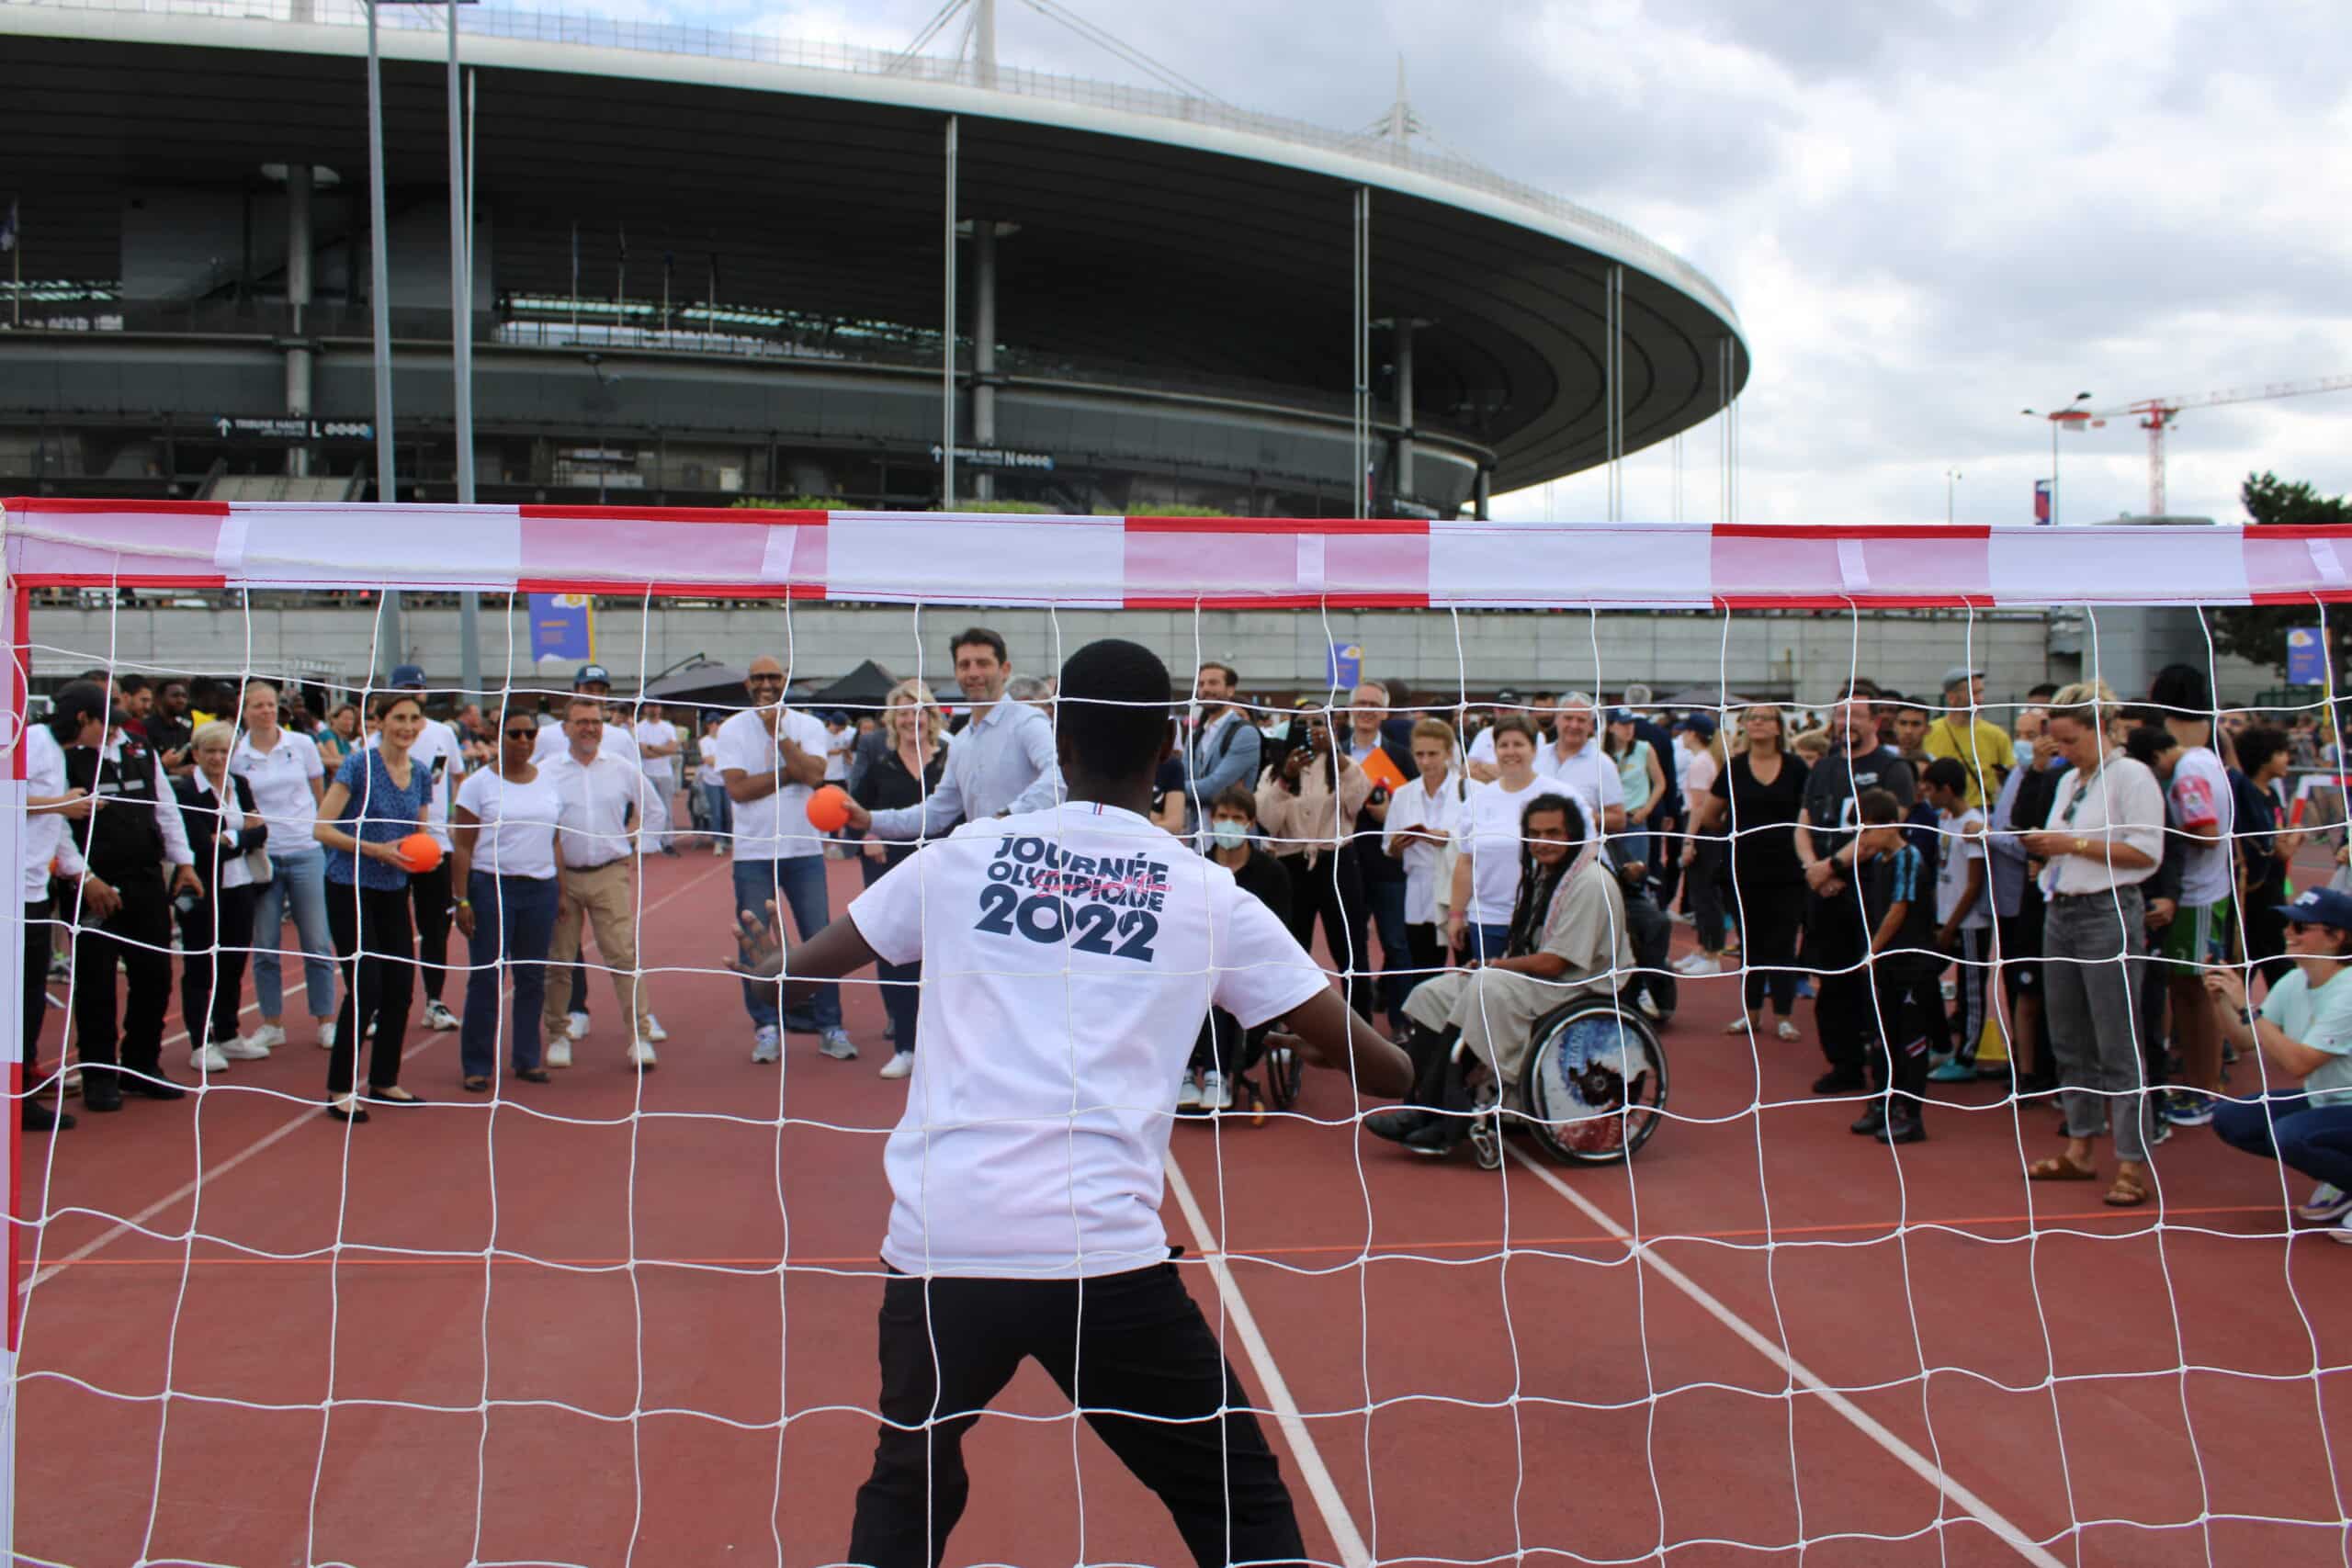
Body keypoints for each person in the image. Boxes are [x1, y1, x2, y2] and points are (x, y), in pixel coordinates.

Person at [726, 636, 1408, 1568]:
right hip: (1100, 1258)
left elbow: (799, 975)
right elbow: (1381, 1071)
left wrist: (764, 962)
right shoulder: (1210, 897)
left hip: (944, 1248)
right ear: (1170, 743)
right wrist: (1392, 1045)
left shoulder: (963, 859)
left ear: (1057, 736)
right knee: (1239, 1502)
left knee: (915, 1480)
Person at [1373, 792, 1630, 1156]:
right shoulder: (1546, 875)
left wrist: (1496, 965)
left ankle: (1449, 1117)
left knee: (1486, 984)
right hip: (1543, 979)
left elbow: (1557, 963)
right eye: (1536, 833)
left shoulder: (1589, 881)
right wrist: (1494, 966)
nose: (1544, 842)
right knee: (1435, 992)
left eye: (1554, 832)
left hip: (1579, 987)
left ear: (1572, 833)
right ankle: (1420, 1108)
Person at [2022, 681, 2165, 1207]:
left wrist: (2069, 844)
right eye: (2056, 741)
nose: (2062, 751)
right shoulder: (2068, 781)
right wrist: (2047, 849)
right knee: (2068, 1037)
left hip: (2108, 912)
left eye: (2069, 740)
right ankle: (2080, 1147)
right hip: (2060, 910)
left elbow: (2147, 853)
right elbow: (2068, 842)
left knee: (2117, 1042)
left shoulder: (2132, 776)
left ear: (2100, 729)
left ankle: (2132, 1161)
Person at [58, 681, 199, 1112]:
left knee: (155, 974)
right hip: (93, 886)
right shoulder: (64, 756)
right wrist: (84, 877)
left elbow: (166, 808)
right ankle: (99, 1072)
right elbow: (55, 825)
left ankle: (142, 1064)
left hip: (144, 879)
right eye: (108, 720)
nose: (115, 730)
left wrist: (185, 862)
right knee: (96, 982)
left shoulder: (140, 749)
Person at [715, 653, 851, 1063]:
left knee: (820, 938)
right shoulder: (731, 729)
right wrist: (793, 770)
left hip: (803, 850)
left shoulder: (807, 726)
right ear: (748, 684)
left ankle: (831, 1025)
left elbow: (815, 775)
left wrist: (780, 736)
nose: (766, 684)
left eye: (773, 676)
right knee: (755, 939)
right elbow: (737, 790)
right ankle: (766, 1027)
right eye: (758, 677)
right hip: (753, 853)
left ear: (785, 680)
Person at [2204, 886, 2352, 1243]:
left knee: (2291, 1135)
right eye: (2288, 924)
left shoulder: (2347, 991)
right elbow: (2244, 1040)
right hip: (2328, 1103)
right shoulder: (2296, 981)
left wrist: (2247, 1008)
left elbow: (2298, 1064)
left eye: (2300, 927)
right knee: (2233, 1119)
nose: (2287, 932)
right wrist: (2220, 999)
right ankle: (2343, 1182)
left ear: (2336, 937)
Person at [314, 690, 433, 1122]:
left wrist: (425, 853)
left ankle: (384, 1080)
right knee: (366, 987)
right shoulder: (358, 765)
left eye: (414, 719)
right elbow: (321, 829)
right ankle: (340, 1088)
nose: (406, 726)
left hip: (393, 889)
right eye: (398, 718)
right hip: (349, 886)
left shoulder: (421, 773)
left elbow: (419, 834)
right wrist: (373, 850)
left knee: (401, 985)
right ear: (379, 721)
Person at [840, 626, 1064, 842]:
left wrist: (1005, 819)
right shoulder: (961, 741)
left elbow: (1058, 779)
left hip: (1030, 864)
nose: (973, 673)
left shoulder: (1027, 722)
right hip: (984, 863)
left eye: (983, 663)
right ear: (956, 672)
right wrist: (870, 819)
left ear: (1005, 670)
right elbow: (936, 812)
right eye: (964, 665)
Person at [538, 695, 662, 1071]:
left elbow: (653, 809)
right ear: (565, 729)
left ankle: (639, 1036)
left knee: (624, 957)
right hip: (563, 877)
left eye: (595, 721)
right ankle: (558, 1034)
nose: (589, 728)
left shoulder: (622, 768)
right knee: (559, 962)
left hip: (610, 872)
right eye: (581, 722)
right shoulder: (546, 771)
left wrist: (641, 846)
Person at [451, 698, 563, 1093]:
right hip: (491, 887)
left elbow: (555, 840)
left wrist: (560, 890)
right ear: (497, 737)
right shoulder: (477, 784)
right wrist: (460, 899)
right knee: (486, 977)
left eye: (530, 734)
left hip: (540, 889)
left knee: (532, 978)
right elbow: (462, 846)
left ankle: (527, 1057)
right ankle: (477, 1063)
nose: (522, 741)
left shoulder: (550, 781)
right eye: (513, 734)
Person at [1809, 789, 1935, 1141]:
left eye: (1867, 830)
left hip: (1909, 962)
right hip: (1884, 966)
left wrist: (1873, 949)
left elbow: (1900, 908)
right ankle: (1882, 1103)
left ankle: (1911, 1114)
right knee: (1882, 1036)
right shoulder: (1879, 862)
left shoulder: (1908, 858)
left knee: (1910, 1039)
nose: (1862, 839)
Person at [231, 680, 341, 1053]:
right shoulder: (237, 753)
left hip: (305, 849)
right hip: (263, 856)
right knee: (265, 944)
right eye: (257, 705)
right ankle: (272, 1022)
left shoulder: (302, 745)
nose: (265, 711)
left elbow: (318, 792)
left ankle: (326, 1020)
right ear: (244, 711)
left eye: (270, 705)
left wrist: (321, 832)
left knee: (316, 941)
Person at [853, 677, 949, 1082]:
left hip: (944, 867)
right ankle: (905, 1046)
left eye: (920, 710)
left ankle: (943, 1048)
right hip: (889, 867)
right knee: (895, 951)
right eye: (904, 712)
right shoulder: (880, 763)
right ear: (893, 719)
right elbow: (858, 807)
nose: (913, 718)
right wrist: (867, 835)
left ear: (931, 715)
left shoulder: (950, 760)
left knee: (945, 954)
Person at [20, 686, 107, 1131]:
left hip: (36, 889)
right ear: (83, 718)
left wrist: (84, 874)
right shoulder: (32, 741)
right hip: (10, 894)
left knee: (31, 997)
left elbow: (55, 828)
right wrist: (65, 804)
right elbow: (6, 796)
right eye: (102, 720)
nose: (106, 731)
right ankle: (16, 1096)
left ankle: (24, 1077)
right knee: (21, 998)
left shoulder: (57, 752)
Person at [1255, 706, 1377, 1020]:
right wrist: (1287, 778)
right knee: (1293, 947)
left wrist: (1338, 755)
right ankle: (1290, 1024)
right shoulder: (1274, 770)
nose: (1311, 729)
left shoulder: (1342, 766)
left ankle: (1359, 1025)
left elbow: (1357, 801)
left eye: (1318, 722)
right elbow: (1268, 821)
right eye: (1302, 723)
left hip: (1336, 860)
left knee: (1350, 946)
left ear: (1331, 727)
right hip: (1292, 864)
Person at [1702, 705, 1810, 1041]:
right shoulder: (1733, 768)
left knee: (1782, 943)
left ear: (1779, 727)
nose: (1758, 723)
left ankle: (1784, 1016)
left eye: (1766, 718)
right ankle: (1750, 1013)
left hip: (1788, 870)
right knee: (1750, 944)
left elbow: (1808, 814)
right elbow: (1709, 816)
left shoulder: (1796, 768)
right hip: (1743, 869)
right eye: (1752, 718)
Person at [1187, 784, 1296, 1112]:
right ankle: (1186, 1071)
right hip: (1201, 964)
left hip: (1252, 970)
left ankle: (1216, 1075)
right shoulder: (1198, 869)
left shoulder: (1271, 873)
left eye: (1237, 818)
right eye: (1222, 817)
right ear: (1212, 820)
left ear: (1250, 823)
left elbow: (1280, 933)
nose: (1228, 824)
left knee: (1220, 987)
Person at [372, 666, 468, 1035]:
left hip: (435, 847)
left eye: (417, 691)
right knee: (390, 930)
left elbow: (456, 775)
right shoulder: (376, 740)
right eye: (404, 691)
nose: (413, 696)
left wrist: (450, 821)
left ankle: (434, 1001)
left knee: (435, 927)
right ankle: (383, 1005)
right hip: (392, 848)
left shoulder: (444, 733)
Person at [172, 722, 272, 1073]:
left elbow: (261, 830)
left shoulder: (239, 785)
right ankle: (201, 1042)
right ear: (196, 754)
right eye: (210, 751)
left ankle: (229, 1033)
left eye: (223, 751)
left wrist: (228, 838)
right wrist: (238, 835)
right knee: (201, 966)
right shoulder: (186, 792)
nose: (217, 758)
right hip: (202, 890)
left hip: (241, 886)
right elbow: (201, 845)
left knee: (233, 962)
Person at [1447, 714, 1571, 964]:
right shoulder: (1478, 800)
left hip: (1543, 918)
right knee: (1491, 992)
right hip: (1488, 919)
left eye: (1519, 744)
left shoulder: (1560, 796)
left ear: (1534, 750)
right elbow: (1466, 861)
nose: (1510, 752)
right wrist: (1456, 915)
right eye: (1504, 745)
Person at [1344, 681, 1416, 1029]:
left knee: (1396, 943)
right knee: (1351, 946)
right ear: (1350, 708)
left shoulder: (1401, 755)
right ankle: (1356, 1023)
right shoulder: (1335, 752)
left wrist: (1388, 815)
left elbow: (1413, 811)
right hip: (1344, 861)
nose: (1367, 709)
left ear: (1385, 712)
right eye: (1361, 703)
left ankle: (1402, 1021)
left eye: (1374, 704)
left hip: (1388, 864)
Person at [1383, 716, 1468, 998]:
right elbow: (1388, 847)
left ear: (1448, 753)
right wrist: (1398, 844)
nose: (1426, 761)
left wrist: (1444, 837)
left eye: (1433, 753)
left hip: (1460, 892)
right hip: (1418, 889)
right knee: (1423, 970)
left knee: (1467, 967)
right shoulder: (1404, 795)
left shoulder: (1470, 791)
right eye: (1420, 754)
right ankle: (1425, 1032)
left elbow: (1477, 841)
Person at [1920, 756, 1992, 1083]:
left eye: (1931, 790)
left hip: (1970, 923)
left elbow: (1975, 883)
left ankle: (1967, 1057)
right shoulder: (1944, 820)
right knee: (1924, 976)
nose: (1926, 795)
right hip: (1944, 919)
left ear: (1947, 790)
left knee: (1971, 991)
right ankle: (1941, 1043)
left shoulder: (1972, 825)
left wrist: (1951, 925)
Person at [2230, 725, 2303, 988]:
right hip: (2256, 894)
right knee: (2266, 961)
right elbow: (2280, 849)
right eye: (2281, 753)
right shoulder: (2249, 798)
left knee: (2266, 960)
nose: (2287, 759)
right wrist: (2297, 834)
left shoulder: (2270, 794)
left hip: (2271, 888)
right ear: (2264, 757)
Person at [1671, 716, 1729, 977]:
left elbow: (1698, 808)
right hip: (1707, 829)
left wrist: (1688, 840)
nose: (1681, 736)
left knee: (1704, 894)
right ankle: (1704, 948)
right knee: (1702, 893)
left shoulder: (1699, 763)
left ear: (1693, 734)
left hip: (1701, 829)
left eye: (1684, 732)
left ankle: (1711, 952)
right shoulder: (1708, 760)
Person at [1920, 665, 2016, 810]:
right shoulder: (1929, 732)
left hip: (1980, 817)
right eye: (1974, 693)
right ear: (1951, 698)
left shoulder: (1997, 735)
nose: (1980, 699)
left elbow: (2011, 782)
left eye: (1981, 692)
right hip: (1940, 816)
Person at [1182, 660, 1261, 830]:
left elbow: (1214, 787)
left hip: (1233, 834)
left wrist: (1174, 790)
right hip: (1196, 834)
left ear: (1230, 690)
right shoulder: (1195, 735)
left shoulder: (1245, 733)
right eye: (1201, 684)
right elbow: (1182, 775)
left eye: (1213, 682)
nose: (1206, 689)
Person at [1534, 693, 1628, 836]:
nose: (1574, 725)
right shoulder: (1537, 758)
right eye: (1568, 718)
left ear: (1591, 726)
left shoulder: (1603, 764)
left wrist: (1577, 818)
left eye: (1581, 720)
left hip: (1584, 853)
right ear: (1557, 720)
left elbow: (1619, 819)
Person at [1604, 706, 1667, 870]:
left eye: (1631, 724)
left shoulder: (1643, 748)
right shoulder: (1600, 752)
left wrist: (1646, 810)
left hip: (1634, 819)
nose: (1628, 729)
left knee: (1636, 873)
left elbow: (1660, 783)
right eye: (1623, 724)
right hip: (1609, 821)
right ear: (1610, 727)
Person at [634, 701, 684, 857]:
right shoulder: (639, 727)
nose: (652, 709)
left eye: (655, 706)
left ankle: (667, 842)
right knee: (647, 810)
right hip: (646, 773)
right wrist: (661, 750)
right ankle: (647, 843)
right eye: (649, 706)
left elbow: (672, 749)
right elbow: (643, 752)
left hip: (664, 774)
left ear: (660, 708)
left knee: (667, 809)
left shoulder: (667, 727)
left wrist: (651, 747)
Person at [695, 714, 731, 854]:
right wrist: (723, 761)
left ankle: (727, 838)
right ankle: (718, 841)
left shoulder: (727, 741)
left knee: (727, 811)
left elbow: (731, 757)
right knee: (716, 812)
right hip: (711, 781)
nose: (715, 726)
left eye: (717, 723)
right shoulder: (705, 741)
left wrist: (720, 760)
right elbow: (708, 760)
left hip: (726, 780)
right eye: (712, 723)